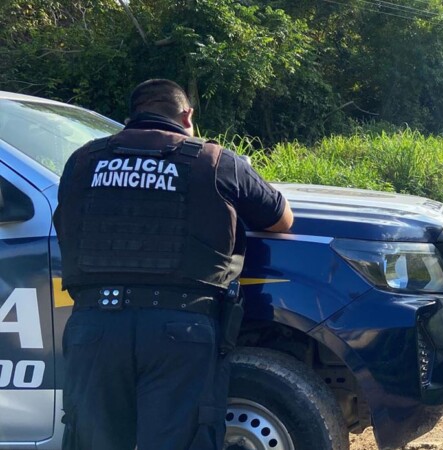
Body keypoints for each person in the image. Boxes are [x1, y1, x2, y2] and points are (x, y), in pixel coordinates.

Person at [53, 79, 293, 450]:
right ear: (187, 115)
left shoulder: (83, 161)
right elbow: (281, 218)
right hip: (181, 333)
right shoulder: (214, 161)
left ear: (132, 117)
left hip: (94, 329)